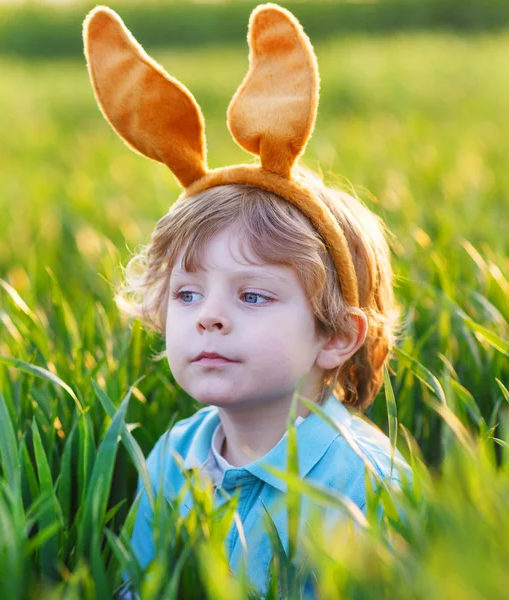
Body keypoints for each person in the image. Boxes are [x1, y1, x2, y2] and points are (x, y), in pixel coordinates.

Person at [82, 2, 413, 598]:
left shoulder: (362, 482)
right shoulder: (175, 456)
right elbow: (139, 587)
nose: (208, 315)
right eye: (187, 293)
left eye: (254, 295)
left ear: (336, 335)